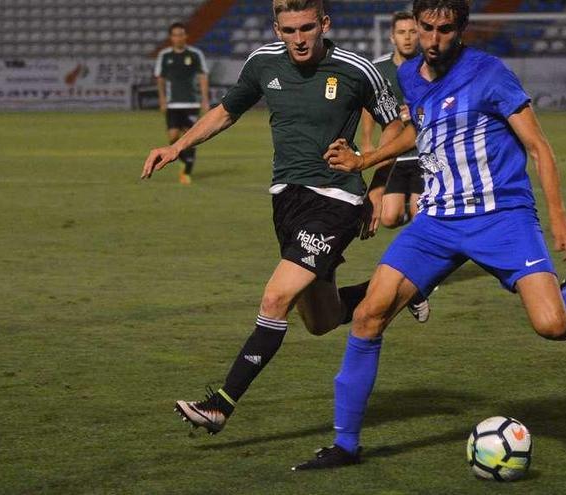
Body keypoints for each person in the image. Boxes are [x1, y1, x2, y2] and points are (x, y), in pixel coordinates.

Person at [292, 0, 566, 470]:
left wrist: (560, 216)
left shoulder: (491, 73)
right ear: (416, 27)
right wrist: (366, 161)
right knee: (368, 315)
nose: (435, 38)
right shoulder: (409, 77)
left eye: (446, 29)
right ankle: (345, 446)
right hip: (439, 221)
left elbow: (537, 146)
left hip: (501, 216)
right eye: (427, 28)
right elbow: (418, 131)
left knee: (552, 326)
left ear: (460, 28)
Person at [141, 0, 405, 435]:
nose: (298, 39)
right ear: (276, 28)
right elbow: (226, 110)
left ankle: (221, 404)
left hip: (336, 199)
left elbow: (397, 127)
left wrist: (375, 183)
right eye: (288, 30)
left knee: (274, 300)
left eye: (306, 28)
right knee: (321, 321)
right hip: (287, 200)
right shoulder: (263, 63)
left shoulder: (356, 69)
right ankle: (404, 286)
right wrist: (177, 147)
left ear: (324, 24)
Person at [359, 11, 431, 323]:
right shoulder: (379, 69)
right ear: (392, 36)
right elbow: (366, 106)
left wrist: (414, 113)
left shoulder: (429, 67)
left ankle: (416, 281)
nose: (407, 37)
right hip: (392, 156)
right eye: (401, 32)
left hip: (424, 155)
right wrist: (367, 142)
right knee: (389, 218)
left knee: (419, 215)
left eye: (412, 32)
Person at [155, 21, 210, 184]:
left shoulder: (195, 54)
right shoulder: (165, 56)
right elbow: (160, 79)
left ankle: (186, 171)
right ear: (171, 37)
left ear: (186, 36)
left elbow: (202, 77)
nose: (178, 38)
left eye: (181, 34)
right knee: (172, 136)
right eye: (175, 35)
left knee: (190, 138)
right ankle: (183, 159)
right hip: (173, 104)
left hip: (192, 103)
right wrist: (162, 99)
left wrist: (205, 100)